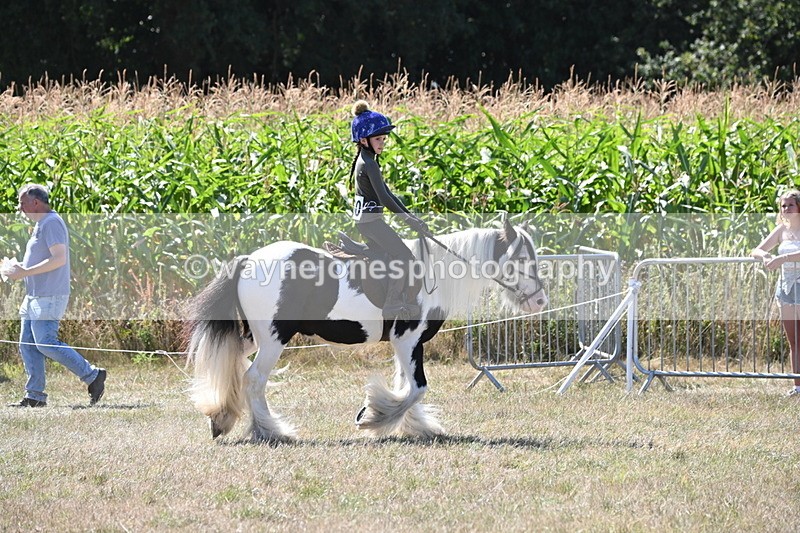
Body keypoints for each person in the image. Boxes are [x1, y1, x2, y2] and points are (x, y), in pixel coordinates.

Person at [4, 184, 106, 407]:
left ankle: (92, 375)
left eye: (22, 203)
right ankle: (35, 396)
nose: (20, 208)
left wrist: (26, 272)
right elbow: (40, 258)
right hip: (34, 295)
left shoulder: (51, 223)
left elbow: (59, 259)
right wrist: (20, 268)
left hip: (49, 295)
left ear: (36, 203)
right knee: (28, 345)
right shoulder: (42, 224)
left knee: (46, 343)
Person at [349, 100, 428, 320]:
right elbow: (384, 197)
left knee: (389, 255)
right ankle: (392, 304)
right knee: (404, 256)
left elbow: (388, 194)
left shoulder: (367, 159)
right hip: (371, 223)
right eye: (378, 139)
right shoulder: (369, 163)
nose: (382, 143)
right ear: (364, 140)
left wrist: (411, 218)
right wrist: (409, 221)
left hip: (366, 222)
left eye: (384, 139)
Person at [752, 188, 800, 397]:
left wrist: (783, 259)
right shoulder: (781, 230)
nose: (786, 208)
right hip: (786, 291)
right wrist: (764, 257)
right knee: (794, 341)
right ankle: (797, 386)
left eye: (790, 204)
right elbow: (756, 249)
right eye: (783, 205)